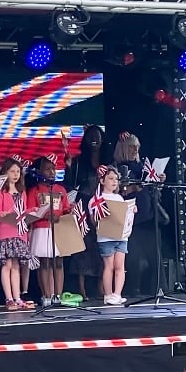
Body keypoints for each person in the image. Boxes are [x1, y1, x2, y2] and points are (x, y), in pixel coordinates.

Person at [113, 132, 166, 296]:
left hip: (149, 216)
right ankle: (132, 291)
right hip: (130, 220)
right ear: (123, 148)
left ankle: (159, 289)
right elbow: (113, 193)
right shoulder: (116, 168)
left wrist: (158, 182)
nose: (135, 150)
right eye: (131, 146)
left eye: (137, 147)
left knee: (155, 256)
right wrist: (131, 189)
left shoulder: (144, 166)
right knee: (133, 259)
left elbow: (153, 191)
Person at [64, 125, 112, 300]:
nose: (94, 139)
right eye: (90, 136)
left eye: (97, 136)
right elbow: (70, 185)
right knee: (83, 246)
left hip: (102, 206)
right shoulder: (78, 161)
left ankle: (101, 286)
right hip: (84, 206)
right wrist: (69, 167)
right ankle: (81, 288)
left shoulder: (107, 162)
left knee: (102, 245)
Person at [26, 154, 71, 308]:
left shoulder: (60, 189)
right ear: (39, 171)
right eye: (47, 169)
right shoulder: (34, 190)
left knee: (58, 262)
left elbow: (65, 208)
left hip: (57, 229)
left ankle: (57, 295)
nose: (51, 172)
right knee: (44, 262)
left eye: (53, 169)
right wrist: (42, 214)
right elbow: (30, 211)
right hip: (42, 229)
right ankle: (46, 295)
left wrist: (68, 211)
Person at [0, 156, 33, 310]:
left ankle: (17, 297)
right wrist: (5, 213)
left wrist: (33, 211)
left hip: (19, 233)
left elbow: (23, 213)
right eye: (12, 171)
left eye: (18, 172)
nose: (15, 174)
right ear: (5, 172)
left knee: (16, 265)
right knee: (7, 265)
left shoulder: (21, 192)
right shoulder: (0, 191)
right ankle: (8, 298)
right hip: (4, 233)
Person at [95, 165, 136, 305]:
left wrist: (131, 210)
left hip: (121, 236)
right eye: (110, 178)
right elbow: (94, 218)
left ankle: (117, 294)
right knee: (109, 266)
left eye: (116, 179)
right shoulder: (97, 198)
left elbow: (124, 215)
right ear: (102, 180)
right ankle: (108, 294)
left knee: (120, 266)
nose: (114, 181)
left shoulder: (118, 197)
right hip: (106, 237)